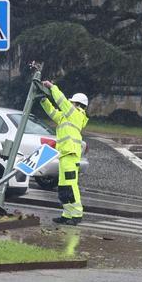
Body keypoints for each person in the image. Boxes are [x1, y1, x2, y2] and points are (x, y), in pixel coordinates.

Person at [39, 79, 88, 225]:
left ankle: (77, 215)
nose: (70, 103)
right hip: (65, 155)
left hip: (70, 154)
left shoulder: (77, 114)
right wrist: (43, 99)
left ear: (78, 104)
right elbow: (53, 112)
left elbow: (61, 101)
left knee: (71, 186)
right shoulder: (67, 116)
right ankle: (67, 214)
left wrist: (52, 87)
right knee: (63, 187)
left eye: (72, 102)